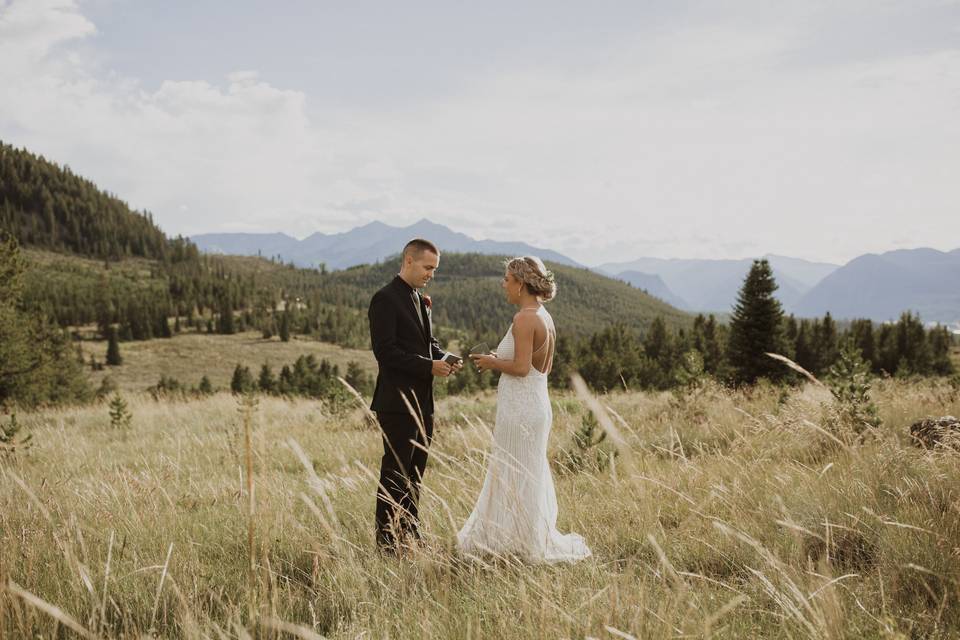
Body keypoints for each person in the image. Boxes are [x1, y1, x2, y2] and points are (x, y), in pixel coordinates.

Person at [459, 256, 591, 563]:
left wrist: (492, 362)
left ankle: (511, 541)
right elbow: (537, 366)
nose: (504, 285)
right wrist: (498, 357)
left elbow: (520, 367)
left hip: (521, 411)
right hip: (535, 405)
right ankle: (522, 537)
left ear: (520, 283)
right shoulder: (542, 315)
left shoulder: (524, 318)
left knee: (512, 472)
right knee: (526, 473)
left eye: (507, 279)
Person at [368, 238, 461, 551]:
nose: (431, 274)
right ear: (408, 261)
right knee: (395, 473)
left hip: (424, 403)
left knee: (415, 473)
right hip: (396, 404)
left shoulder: (420, 300)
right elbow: (386, 353)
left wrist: (444, 357)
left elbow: (427, 344)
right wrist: (428, 367)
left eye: (434, 269)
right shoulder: (384, 299)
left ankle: (410, 532)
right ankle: (387, 542)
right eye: (427, 267)